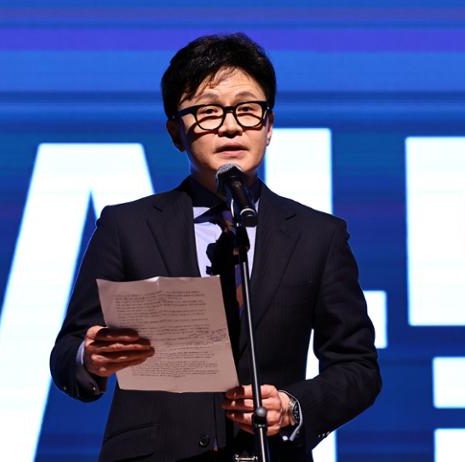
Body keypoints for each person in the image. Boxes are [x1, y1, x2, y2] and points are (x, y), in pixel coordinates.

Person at [50, 33, 381, 462]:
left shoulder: (319, 235)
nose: (230, 126)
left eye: (247, 109)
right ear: (176, 132)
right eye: (208, 112)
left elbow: (358, 368)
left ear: (269, 126)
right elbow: (67, 354)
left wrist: (292, 407)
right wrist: (90, 358)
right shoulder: (126, 226)